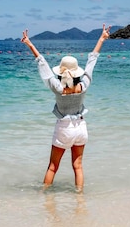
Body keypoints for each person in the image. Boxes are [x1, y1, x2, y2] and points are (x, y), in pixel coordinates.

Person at [21, 24, 111, 192]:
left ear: (61, 72)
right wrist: (102, 38)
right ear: (77, 72)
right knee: (78, 166)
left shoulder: (58, 87)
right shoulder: (83, 85)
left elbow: (43, 66)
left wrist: (29, 44)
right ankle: (80, 198)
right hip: (81, 127)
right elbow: (92, 60)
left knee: (53, 166)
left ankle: (44, 197)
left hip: (64, 128)